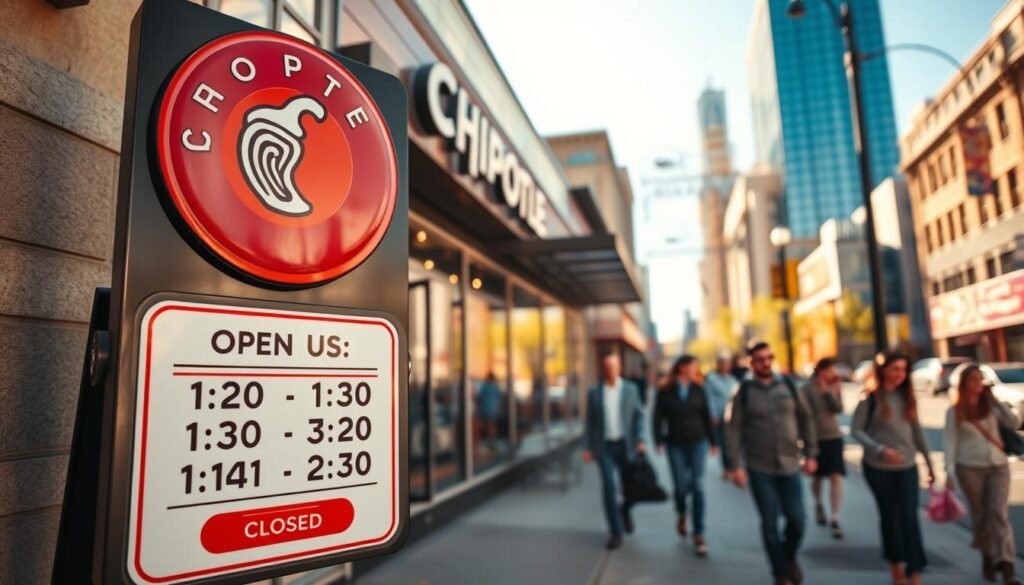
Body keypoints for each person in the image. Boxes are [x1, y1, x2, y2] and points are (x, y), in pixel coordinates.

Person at [726, 341, 818, 585]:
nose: (765, 363)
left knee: (797, 519)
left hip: (790, 463)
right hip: (759, 466)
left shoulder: (788, 385)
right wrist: (735, 466)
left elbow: (806, 419)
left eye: (769, 358)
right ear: (751, 363)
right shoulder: (743, 391)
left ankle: (788, 558)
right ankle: (780, 574)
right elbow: (733, 429)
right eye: (760, 359)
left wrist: (811, 454)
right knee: (769, 522)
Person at [852, 352, 936, 585]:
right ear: (883, 371)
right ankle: (896, 568)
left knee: (910, 516)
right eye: (895, 369)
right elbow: (856, 430)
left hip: (907, 466)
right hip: (878, 468)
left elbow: (918, 433)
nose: (900, 374)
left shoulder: (908, 397)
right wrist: (879, 449)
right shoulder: (870, 398)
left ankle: (915, 571)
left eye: (903, 370)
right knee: (890, 517)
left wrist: (930, 465)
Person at [944, 365, 1021, 585]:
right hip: (969, 467)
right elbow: (950, 443)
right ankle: (988, 555)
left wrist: (996, 400)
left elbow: (1014, 423)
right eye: (974, 380)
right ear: (964, 384)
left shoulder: (991, 405)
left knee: (998, 513)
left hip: (998, 465)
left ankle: (1007, 565)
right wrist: (949, 472)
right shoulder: (955, 411)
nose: (979, 384)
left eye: (981, 380)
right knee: (981, 515)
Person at [653, 355, 717, 556]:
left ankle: (698, 533)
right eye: (692, 366)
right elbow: (657, 417)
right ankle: (682, 512)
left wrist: (714, 441)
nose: (695, 370)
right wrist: (658, 440)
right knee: (680, 487)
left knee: (697, 485)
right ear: (682, 368)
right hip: (675, 444)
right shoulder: (665, 391)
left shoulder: (699, 389)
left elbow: (707, 416)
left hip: (697, 442)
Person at [583, 353, 646, 550]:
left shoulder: (630, 389)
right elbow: (590, 422)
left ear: (619, 368)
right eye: (607, 366)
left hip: (626, 445)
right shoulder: (594, 392)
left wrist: (641, 439)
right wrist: (587, 447)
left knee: (629, 489)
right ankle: (616, 532)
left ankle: (625, 511)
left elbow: (639, 415)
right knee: (609, 487)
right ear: (603, 369)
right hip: (605, 447)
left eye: (614, 366)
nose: (610, 369)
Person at [802, 357, 846, 539]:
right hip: (815, 438)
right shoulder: (807, 389)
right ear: (821, 371)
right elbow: (805, 415)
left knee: (836, 475)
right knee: (818, 477)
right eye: (829, 370)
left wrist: (830, 392)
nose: (833, 374)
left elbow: (838, 409)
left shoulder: (834, 386)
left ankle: (835, 516)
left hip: (833, 436)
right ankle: (818, 503)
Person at [704, 354, 738, 477]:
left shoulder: (732, 379)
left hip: (733, 416)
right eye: (723, 363)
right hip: (719, 414)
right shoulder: (711, 379)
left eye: (727, 363)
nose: (725, 366)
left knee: (732, 441)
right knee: (723, 442)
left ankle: (733, 466)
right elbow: (709, 398)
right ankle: (726, 467)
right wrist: (712, 414)